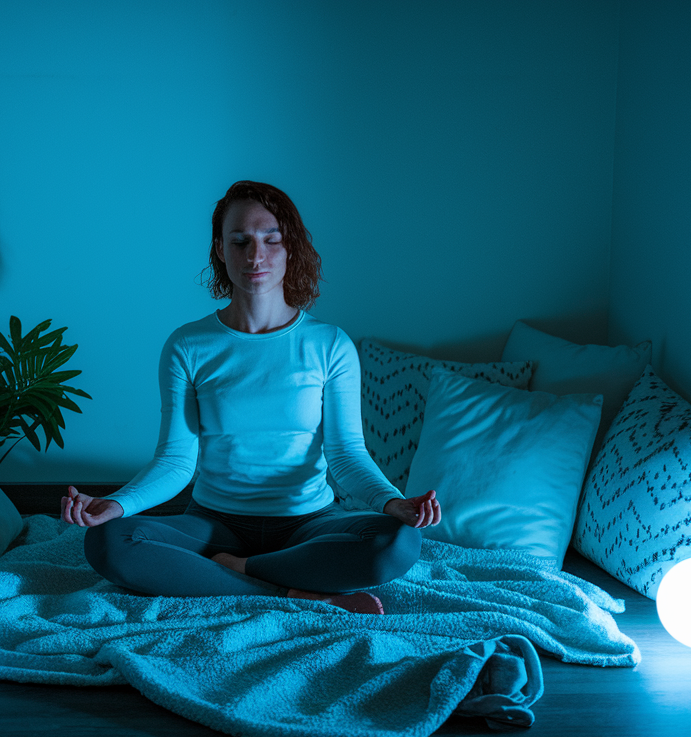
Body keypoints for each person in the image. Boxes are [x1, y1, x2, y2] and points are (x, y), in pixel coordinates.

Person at [62, 180, 441, 614]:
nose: (255, 256)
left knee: (399, 542)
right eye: (239, 241)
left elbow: (346, 454)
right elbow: (176, 460)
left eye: (270, 240)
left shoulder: (330, 345)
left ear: (290, 249)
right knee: (110, 541)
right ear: (221, 251)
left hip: (307, 524)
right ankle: (288, 592)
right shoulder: (188, 345)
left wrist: (395, 503)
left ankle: (233, 569)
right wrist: (117, 504)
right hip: (214, 524)